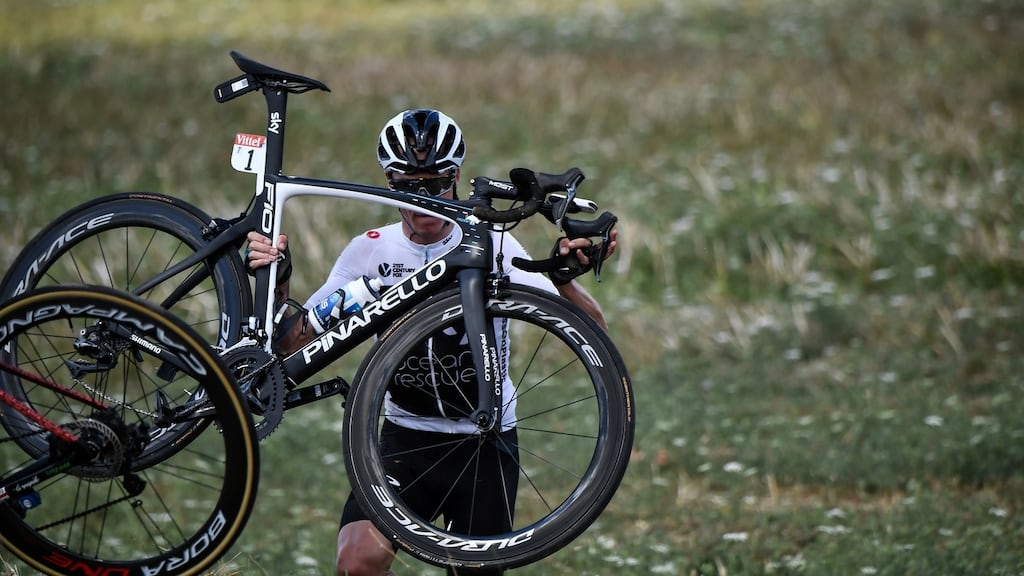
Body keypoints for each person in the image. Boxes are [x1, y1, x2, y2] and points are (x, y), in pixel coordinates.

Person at [245, 109, 617, 576]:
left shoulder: (494, 247)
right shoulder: (369, 251)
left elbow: (592, 334)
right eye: (407, 185)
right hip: (406, 437)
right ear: (387, 181)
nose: (424, 200)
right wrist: (276, 281)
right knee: (357, 562)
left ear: (457, 176)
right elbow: (291, 348)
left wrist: (564, 281)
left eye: (437, 183)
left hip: (487, 442)